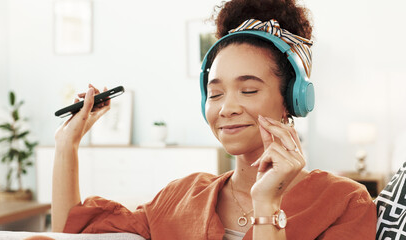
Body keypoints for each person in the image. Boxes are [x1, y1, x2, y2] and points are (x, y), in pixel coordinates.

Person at [52, 0, 377, 239]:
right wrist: (67, 144)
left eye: (248, 90)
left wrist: (267, 207)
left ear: (292, 100)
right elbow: (72, 228)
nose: (227, 108)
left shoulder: (344, 202)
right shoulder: (181, 196)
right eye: (216, 93)